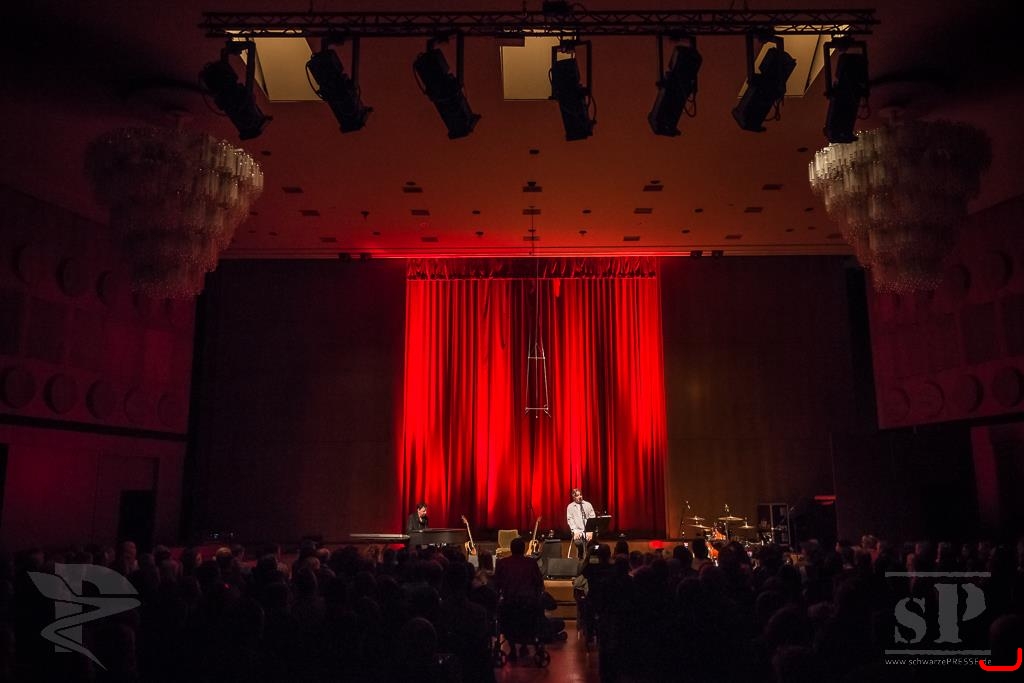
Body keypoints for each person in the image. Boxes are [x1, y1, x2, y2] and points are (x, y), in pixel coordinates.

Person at [566, 488, 596, 559]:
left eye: (580, 495)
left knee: (591, 543)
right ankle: (580, 556)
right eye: (577, 495)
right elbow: (570, 520)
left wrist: (590, 531)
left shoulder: (588, 505)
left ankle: (589, 558)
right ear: (574, 497)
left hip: (588, 531)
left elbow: (592, 518)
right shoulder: (570, 507)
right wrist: (575, 531)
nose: (580, 497)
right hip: (577, 531)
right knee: (579, 543)